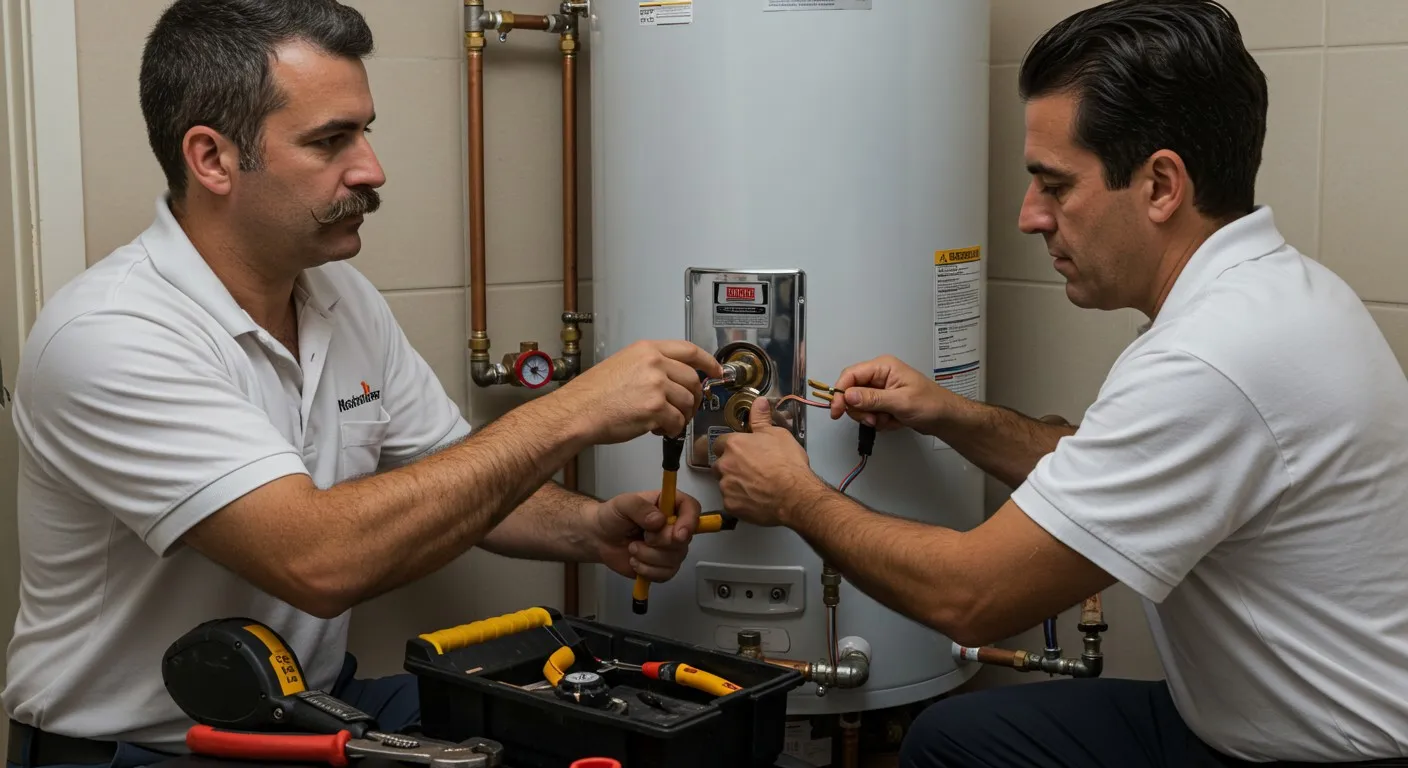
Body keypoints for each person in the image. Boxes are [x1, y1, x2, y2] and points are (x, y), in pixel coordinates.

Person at [2, 2, 725, 767]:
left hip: (310, 711)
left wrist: (590, 529)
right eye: (330, 140)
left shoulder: (339, 295)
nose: (371, 168)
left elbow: (442, 473)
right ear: (212, 159)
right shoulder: (112, 335)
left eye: (365, 130)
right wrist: (573, 412)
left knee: (609, 738)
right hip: (141, 747)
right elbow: (318, 562)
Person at [713, 1, 1408, 765]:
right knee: (955, 737)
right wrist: (951, 416)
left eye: (1054, 185)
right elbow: (1111, 463)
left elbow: (970, 599)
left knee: (950, 749)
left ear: (1160, 186)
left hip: (1323, 753)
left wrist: (795, 495)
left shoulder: (1213, 359)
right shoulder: (1277, 293)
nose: (1028, 217)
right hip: (1257, 721)